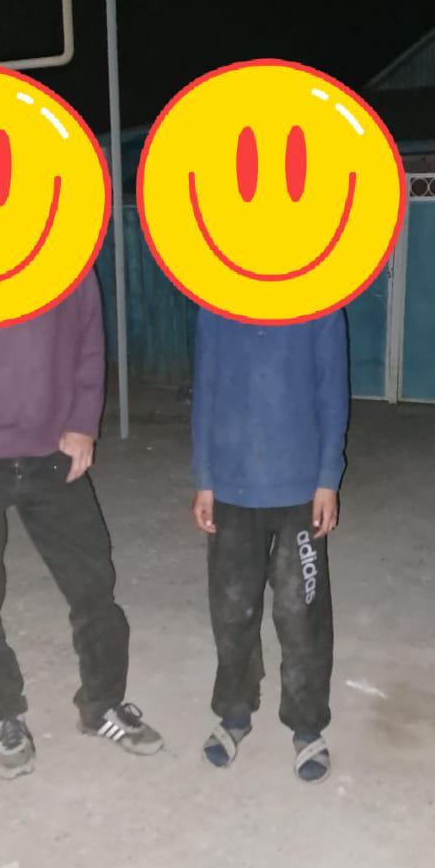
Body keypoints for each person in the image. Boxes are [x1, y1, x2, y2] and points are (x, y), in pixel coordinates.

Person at [0, 272, 163, 780]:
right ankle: (2, 716)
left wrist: (82, 422)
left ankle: (103, 704)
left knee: (93, 583)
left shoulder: (64, 258)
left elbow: (88, 341)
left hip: (51, 450)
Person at [190, 308, 348, 784]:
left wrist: (328, 479)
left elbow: (332, 393)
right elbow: (206, 390)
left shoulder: (321, 305)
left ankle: (306, 723)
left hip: (300, 488)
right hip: (232, 485)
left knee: (301, 612)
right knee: (231, 609)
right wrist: (205, 480)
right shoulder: (215, 306)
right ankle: (235, 711)